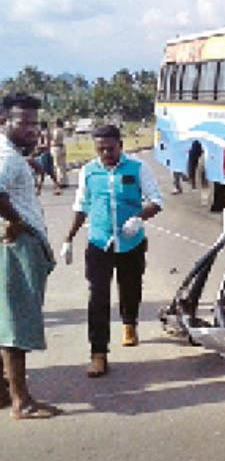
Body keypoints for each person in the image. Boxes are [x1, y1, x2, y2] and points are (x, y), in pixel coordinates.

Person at [62, 125, 164, 377]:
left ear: (121, 145)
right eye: (100, 149)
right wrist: (68, 239)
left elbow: (156, 200)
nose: (106, 153)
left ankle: (130, 323)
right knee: (98, 297)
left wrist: (139, 218)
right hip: (99, 242)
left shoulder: (138, 168)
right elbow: (81, 206)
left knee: (130, 288)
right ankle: (99, 354)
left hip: (131, 242)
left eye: (110, 148)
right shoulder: (88, 171)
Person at [0, 92, 61, 419]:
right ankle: (21, 401)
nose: (32, 130)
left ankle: (3, 392)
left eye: (35, 123)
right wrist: (16, 220)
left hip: (12, 243)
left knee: (5, 319)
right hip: (16, 247)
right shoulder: (7, 158)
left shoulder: (9, 154)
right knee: (16, 323)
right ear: (3, 121)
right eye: (23, 123)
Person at [34, 120, 58, 195]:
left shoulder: (45, 133)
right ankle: (57, 187)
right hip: (45, 153)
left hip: (44, 154)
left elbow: (46, 145)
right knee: (49, 172)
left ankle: (39, 189)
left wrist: (38, 147)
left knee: (42, 172)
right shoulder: (44, 133)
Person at [50, 118, 68, 190]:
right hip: (62, 147)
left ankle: (60, 181)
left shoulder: (56, 131)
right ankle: (64, 181)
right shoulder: (62, 130)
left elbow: (55, 139)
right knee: (63, 165)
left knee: (57, 165)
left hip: (56, 147)